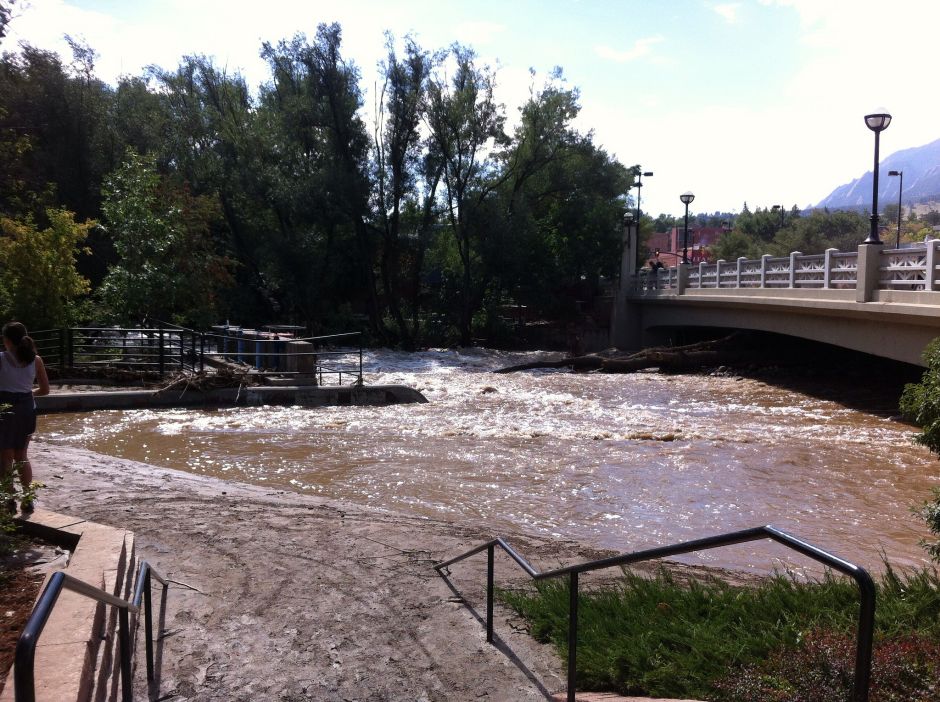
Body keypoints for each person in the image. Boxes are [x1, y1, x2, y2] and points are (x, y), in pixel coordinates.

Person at [0, 322, 50, 512]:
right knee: (22, 455)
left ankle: (9, 499)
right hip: (27, 409)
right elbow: (45, 390)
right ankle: (27, 498)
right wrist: (28, 394)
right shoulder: (36, 360)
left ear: (6, 340)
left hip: (5, 408)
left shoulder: (1, 358)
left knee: (5, 456)